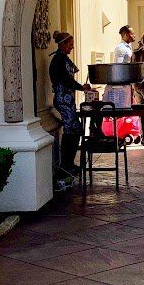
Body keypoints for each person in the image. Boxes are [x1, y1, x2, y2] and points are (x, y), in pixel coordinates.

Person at [49, 30, 94, 181]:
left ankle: (68, 163)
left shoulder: (61, 59)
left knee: (74, 129)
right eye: (70, 44)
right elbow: (66, 81)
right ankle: (66, 165)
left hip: (67, 100)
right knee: (72, 130)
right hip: (63, 100)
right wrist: (82, 88)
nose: (72, 47)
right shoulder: (58, 61)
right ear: (62, 45)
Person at [105, 25, 136, 108]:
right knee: (123, 107)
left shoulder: (128, 47)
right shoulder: (121, 48)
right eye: (132, 34)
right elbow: (118, 65)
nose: (134, 35)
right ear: (126, 35)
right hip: (122, 85)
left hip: (128, 82)